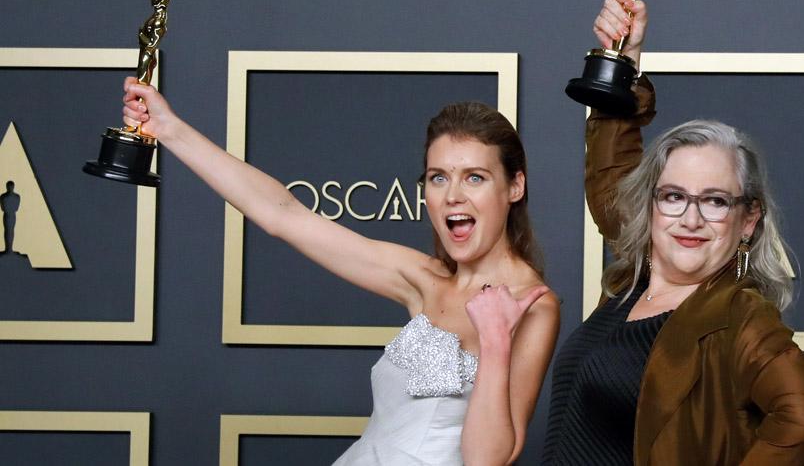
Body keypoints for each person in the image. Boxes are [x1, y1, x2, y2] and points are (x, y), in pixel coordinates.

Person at [120, 82, 560, 466]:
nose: (453, 197)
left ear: (514, 186)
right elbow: (284, 215)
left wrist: (497, 340)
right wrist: (170, 130)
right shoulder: (422, 278)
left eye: (475, 178)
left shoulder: (533, 306)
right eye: (438, 178)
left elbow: (487, 459)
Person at [542, 0, 804, 465]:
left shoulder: (738, 314)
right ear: (652, 205)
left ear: (748, 219)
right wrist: (624, 63)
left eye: (716, 201)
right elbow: (613, 177)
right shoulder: (633, 280)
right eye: (674, 196)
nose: (690, 218)